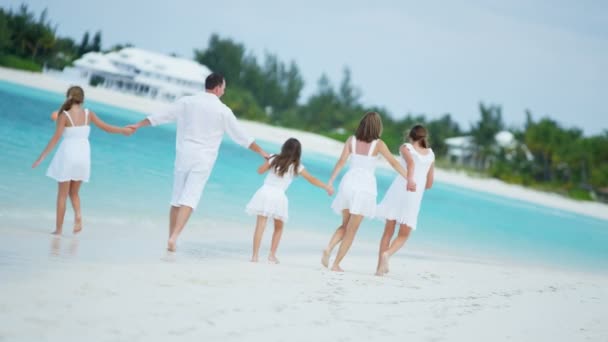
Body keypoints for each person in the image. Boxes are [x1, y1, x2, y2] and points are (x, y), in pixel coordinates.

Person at [127, 73, 269, 252]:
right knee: (190, 198)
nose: (223, 92)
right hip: (203, 159)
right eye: (223, 89)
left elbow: (161, 116)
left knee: (177, 198)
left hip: (184, 154)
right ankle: (175, 237)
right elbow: (242, 137)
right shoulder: (223, 110)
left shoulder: (187, 102)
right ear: (217, 88)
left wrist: (138, 125)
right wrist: (262, 152)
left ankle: (170, 238)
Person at [32, 86, 134, 235]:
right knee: (74, 193)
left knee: (62, 195)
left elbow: (56, 138)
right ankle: (78, 215)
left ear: (68, 97)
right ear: (82, 99)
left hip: (68, 155)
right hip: (83, 156)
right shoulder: (88, 114)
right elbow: (106, 128)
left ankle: (58, 230)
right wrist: (123, 130)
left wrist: (41, 157)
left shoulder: (64, 116)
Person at [321, 112, 414, 272]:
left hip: (348, 183)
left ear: (362, 124)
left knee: (344, 225)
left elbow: (341, 161)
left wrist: (330, 182)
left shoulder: (351, 140)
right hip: (364, 187)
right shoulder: (378, 144)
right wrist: (409, 178)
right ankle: (336, 264)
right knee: (352, 230)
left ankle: (329, 247)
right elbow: (393, 163)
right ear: (378, 127)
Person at [246, 138, 333, 263]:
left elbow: (260, 171)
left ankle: (255, 256)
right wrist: (326, 187)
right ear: (298, 152)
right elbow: (311, 179)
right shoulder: (297, 166)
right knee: (279, 228)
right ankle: (272, 255)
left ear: (284, 148)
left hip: (265, 192)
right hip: (279, 197)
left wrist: (268, 161)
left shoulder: (274, 158)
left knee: (260, 226)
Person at [375, 125, 435, 276]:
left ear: (410, 136)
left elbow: (411, 164)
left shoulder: (405, 147)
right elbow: (429, 183)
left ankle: (379, 269)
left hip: (398, 191)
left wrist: (409, 180)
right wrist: (418, 183)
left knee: (388, 232)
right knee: (403, 234)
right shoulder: (431, 155)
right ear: (424, 137)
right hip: (414, 196)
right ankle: (387, 255)